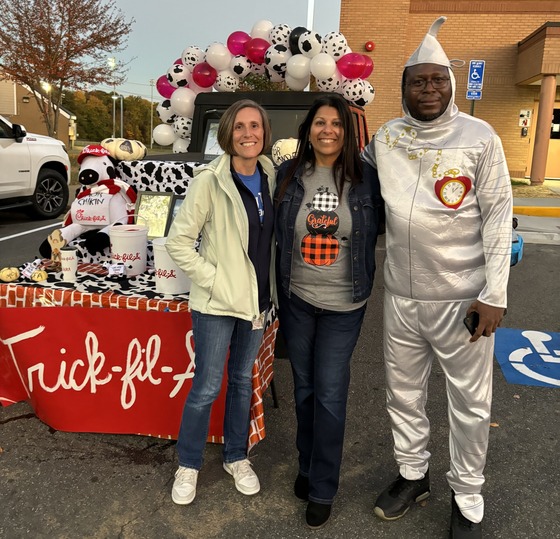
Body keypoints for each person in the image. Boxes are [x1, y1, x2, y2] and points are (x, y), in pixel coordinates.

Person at [362, 17, 513, 538]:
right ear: (403, 88)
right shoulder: (386, 136)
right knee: (402, 394)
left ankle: (467, 494)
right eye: (417, 81)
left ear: (450, 83)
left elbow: (498, 215)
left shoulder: (480, 137)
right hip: (402, 295)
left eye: (438, 80)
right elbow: (347, 175)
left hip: (463, 298)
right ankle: (412, 474)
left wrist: (494, 294)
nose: (429, 89)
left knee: (471, 403)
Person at [275, 94, 384, 529]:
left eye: (335, 124)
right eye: (319, 123)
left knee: (330, 395)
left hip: (345, 304)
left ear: (347, 131)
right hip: (297, 298)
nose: (328, 130)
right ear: (308, 130)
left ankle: (323, 486)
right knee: (304, 389)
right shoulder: (288, 175)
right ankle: (306, 465)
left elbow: (400, 222)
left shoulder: (366, 179)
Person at [166, 99, 276, 506]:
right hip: (215, 304)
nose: (249, 133)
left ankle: (235, 456)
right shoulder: (209, 181)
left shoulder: (268, 173)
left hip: (256, 303)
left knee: (242, 382)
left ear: (264, 132)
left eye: (256, 126)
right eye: (241, 126)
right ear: (227, 133)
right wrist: (214, 280)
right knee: (208, 385)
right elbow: (178, 242)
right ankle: (189, 463)